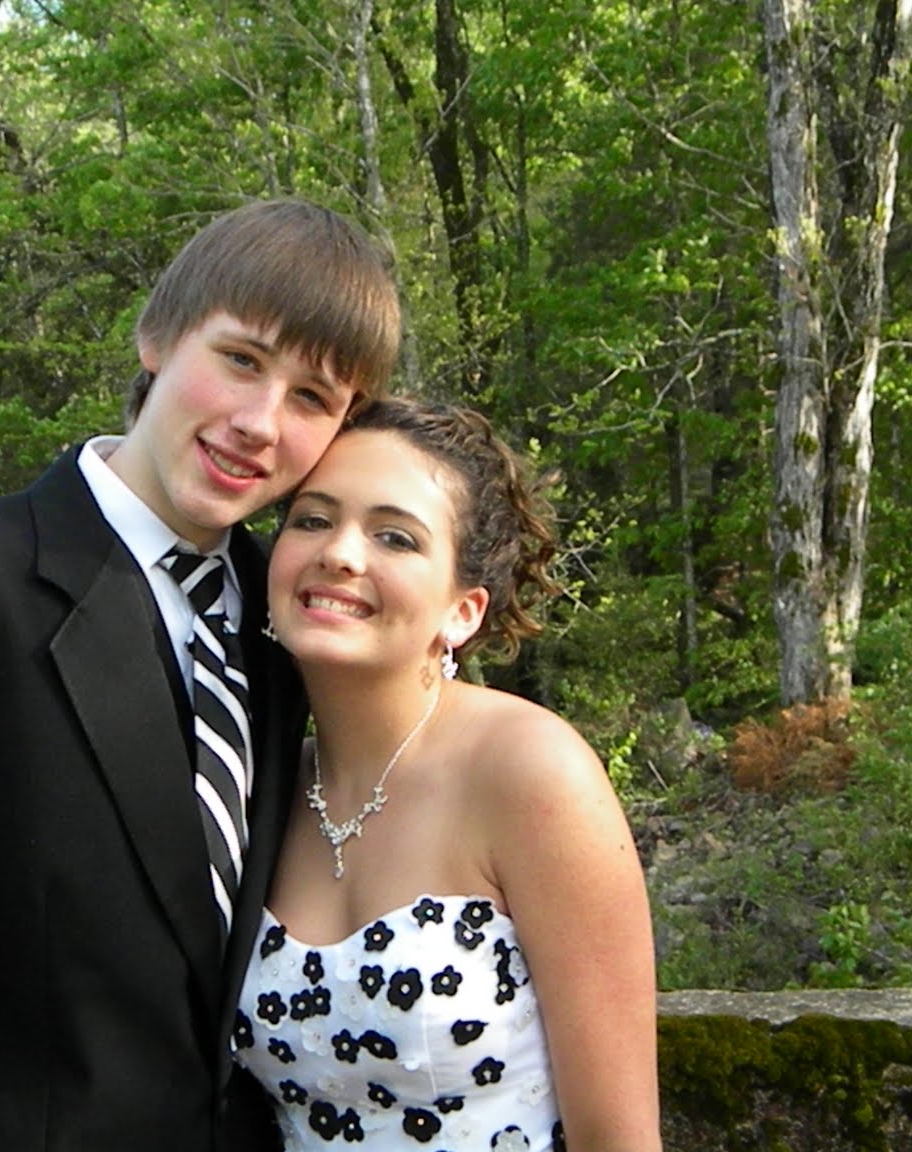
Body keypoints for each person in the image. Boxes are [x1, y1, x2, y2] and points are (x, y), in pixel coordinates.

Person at [0, 199, 403, 1152]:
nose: (260, 423)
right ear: (157, 337)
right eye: (241, 359)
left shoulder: (293, 626)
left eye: (312, 398)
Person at [233, 400, 661, 1151]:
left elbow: (618, 1140)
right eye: (312, 520)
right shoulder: (262, 786)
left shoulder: (529, 772)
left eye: (395, 536)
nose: (340, 553)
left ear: (462, 611)